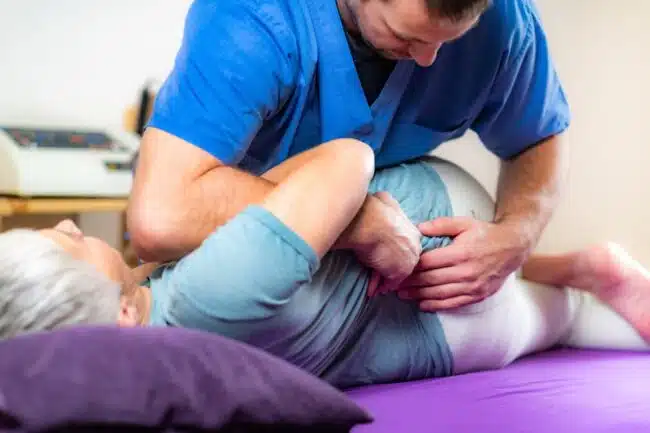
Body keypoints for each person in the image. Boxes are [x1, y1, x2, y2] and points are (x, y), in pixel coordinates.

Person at [0, 140, 647, 390]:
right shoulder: (212, 290)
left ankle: (574, 271)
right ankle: (582, 271)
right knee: (554, 322)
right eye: (69, 244)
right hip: (437, 278)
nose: (63, 224)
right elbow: (348, 161)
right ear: (116, 317)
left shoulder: (157, 356)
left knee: (545, 316)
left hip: (426, 248)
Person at [127, 0, 571, 311]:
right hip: (263, 236)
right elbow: (161, 217)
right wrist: (357, 221)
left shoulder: (506, 22)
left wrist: (516, 236)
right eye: (406, 36)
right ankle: (577, 275)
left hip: (401, 230)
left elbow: (539, 137)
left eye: (449, 42)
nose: (429, 60)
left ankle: (570, 280)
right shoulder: (252, 17)